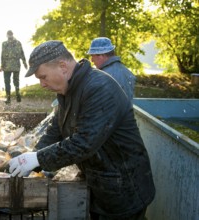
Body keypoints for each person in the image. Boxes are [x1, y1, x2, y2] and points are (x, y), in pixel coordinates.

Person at [9, 40, 155, 220]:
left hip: (124, 190)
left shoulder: (99, 88)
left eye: (43, 77)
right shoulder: (67, 92)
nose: (42, 84)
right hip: (100, 187)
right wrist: (32, 159)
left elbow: (84, 143)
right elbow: (55, 132)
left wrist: (39, 158)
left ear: (62, 66)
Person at [1, 30, 27, 104]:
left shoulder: (5, 43)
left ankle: (10, 98)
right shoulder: (16, 43)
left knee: (8, 82)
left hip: (9, 65)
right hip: (13, 65)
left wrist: (24, 62)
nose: (9, 36)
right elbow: (22, 53)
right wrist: (24, 62)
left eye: (9, 34)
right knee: (14, 81)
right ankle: (15, 96)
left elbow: (3, 55)